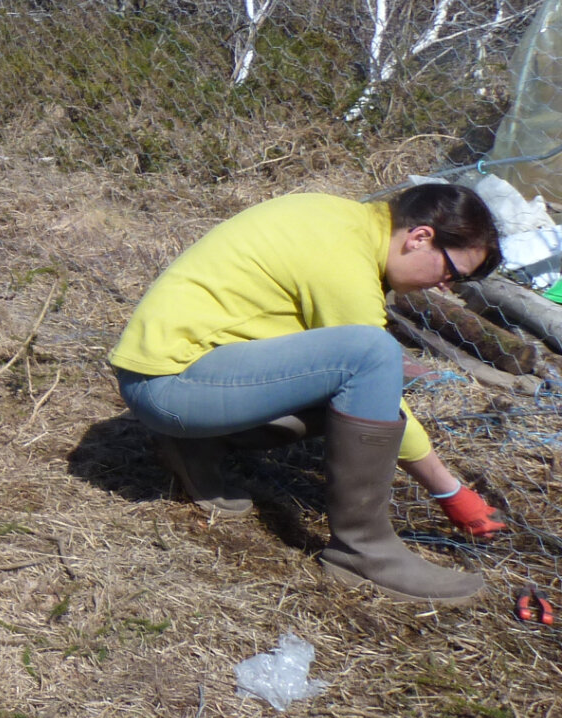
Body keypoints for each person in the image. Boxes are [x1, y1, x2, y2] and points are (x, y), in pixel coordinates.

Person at [109, 183, 504, 604]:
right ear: (420, 237)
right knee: (371, 357)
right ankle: (364, 551)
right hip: (172, 387)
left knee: (353, 387)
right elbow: (377, 383)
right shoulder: (343, 257)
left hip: (178, 373)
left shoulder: (342, 220)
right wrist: (448, 490)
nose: (446, 287)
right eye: (451, 272)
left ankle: (195, 447)